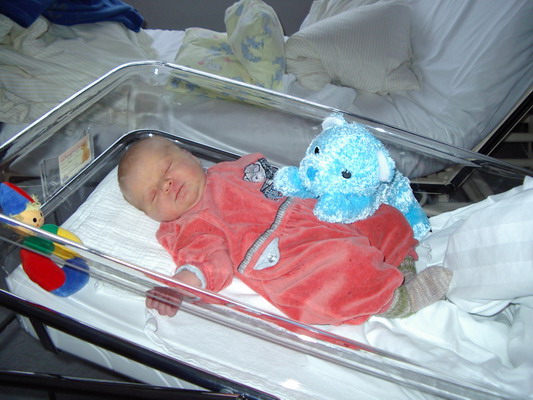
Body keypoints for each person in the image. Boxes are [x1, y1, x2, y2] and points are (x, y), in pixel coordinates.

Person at [118, 136, 452, 325]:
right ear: (151, 214)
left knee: (381, 216)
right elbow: (205, 261)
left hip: (309, 212)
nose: (167, 184)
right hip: (286, 253)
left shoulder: (229, 169)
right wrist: (178, 286)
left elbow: (281, 179)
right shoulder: (190, 224)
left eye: (167, 168)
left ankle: (401, 264)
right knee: (341, 267)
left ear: (188, 154)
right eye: (153, 194)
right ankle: (396, 300)